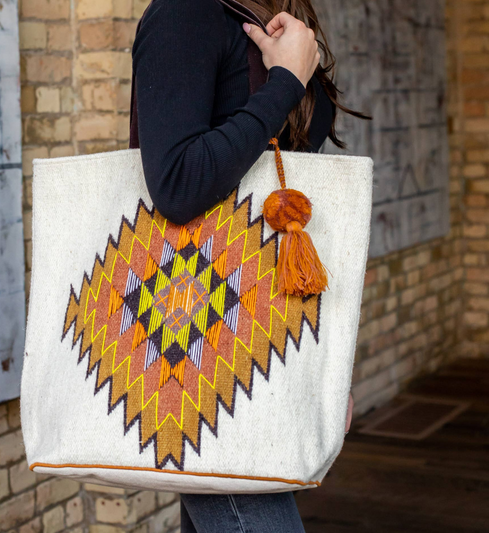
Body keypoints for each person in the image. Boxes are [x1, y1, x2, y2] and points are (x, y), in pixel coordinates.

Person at [131, 0, 365, 530]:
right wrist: (284, 81)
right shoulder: (183, 15)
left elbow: (295, 209)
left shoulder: (277, 16)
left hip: (266, 336)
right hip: (199, 349)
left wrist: (326, 358)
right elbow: (177, 183)